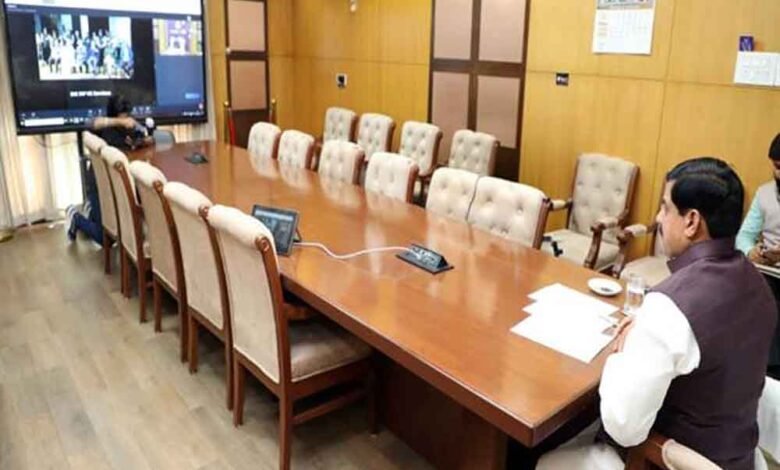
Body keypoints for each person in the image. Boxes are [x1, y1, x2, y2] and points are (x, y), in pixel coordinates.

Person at [538, 157, 777, 469]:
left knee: (543, 454)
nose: (658, 218)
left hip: (665, 459)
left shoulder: (670, 308)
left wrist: (625, 348)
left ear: (691, 221)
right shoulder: (758, 284)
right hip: (737, 456)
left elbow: (623, 427)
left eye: (665, 208)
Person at [67, 95, 153, 242]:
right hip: (100, 184)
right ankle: (75, 217)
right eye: (123, 116)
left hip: (121, 181)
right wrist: (119, 121)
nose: (126, 119)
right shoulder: (104, 127)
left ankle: (92, 213)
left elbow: (141, 137)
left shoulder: (129, 127)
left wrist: (144, 140)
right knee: (104, 238)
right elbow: (90, 123)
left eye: (127, 115)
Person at [736, 132, 780, 379]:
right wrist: (751, 251)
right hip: (766, 270)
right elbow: (744, 236)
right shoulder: (764, 194)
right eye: (777, 167)